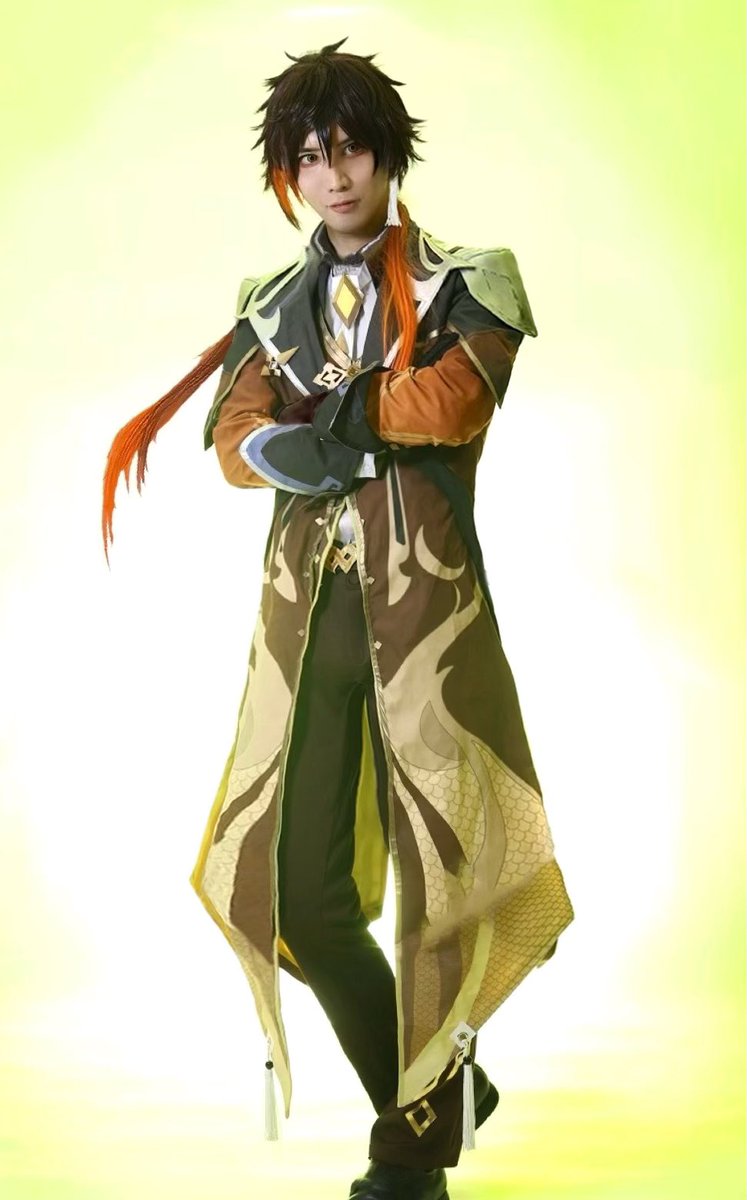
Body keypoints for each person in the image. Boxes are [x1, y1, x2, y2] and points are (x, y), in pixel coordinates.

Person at [102, 36, 575, 1200]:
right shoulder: (270, 306)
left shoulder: (471, 276)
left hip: (429, 635)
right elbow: (235, 444)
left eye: (351, 147)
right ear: (289, 172)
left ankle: (410, 1161)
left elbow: (452, 400)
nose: (334, 173)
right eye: (311, 156)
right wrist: (318, 429)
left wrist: (331, 417)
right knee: (300, 902)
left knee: (439, 891)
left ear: (386, 153)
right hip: (305, 632)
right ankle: (442, 1092)